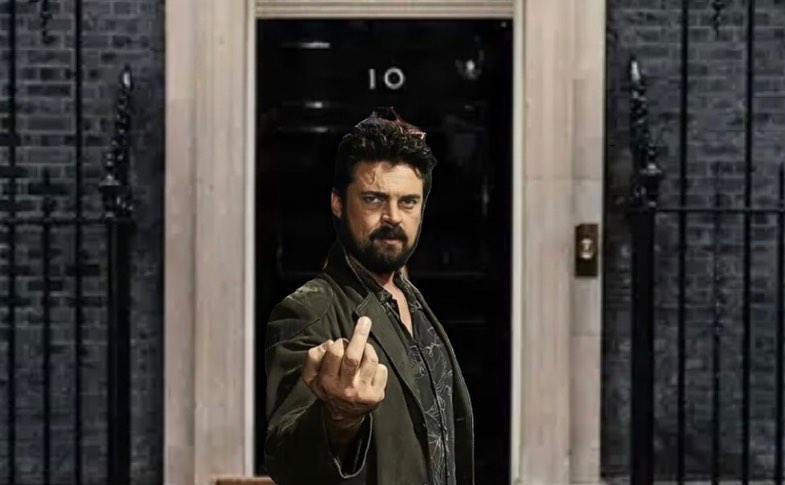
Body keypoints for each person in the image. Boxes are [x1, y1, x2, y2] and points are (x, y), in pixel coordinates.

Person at [264, 107, 474, 485]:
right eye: (374, 199)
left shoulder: (412, 300)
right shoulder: (307, 310)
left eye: (408, 202)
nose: (393, 217)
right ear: (338, 204)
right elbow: (286, 459)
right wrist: (338, 419)